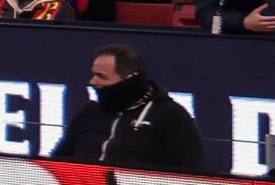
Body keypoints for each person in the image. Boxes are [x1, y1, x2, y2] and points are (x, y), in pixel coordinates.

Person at [57, 44, 209, 172]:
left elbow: (191, 170)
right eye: (93, 74)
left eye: (101, 76)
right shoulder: (89, 112)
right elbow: (60, 159)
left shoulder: (170, 116)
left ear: (130, 80)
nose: (92, 81)